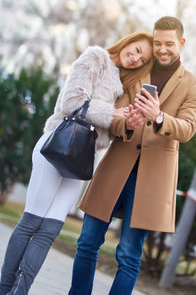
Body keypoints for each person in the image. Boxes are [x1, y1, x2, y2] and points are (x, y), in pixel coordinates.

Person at [0, 31, 153, 295]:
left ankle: (20, 291)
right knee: (32, 220)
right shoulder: (96, 57)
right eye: (137, 49)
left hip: (82, 158)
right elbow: (72, 102)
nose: (136, 58)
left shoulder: (124, 85)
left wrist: (124, 121)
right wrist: (111, 113)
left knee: (50, 229)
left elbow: (105, 134)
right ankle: (4, 287)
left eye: (142, 59)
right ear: (128, 41)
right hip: (57, 145)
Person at [68, 16, 196, 295]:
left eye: (169, 44)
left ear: (181, 43)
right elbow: (114, 117)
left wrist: (158, 116)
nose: (162, 49)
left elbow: (188, 129)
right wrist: (126, 124)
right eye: (157, 43)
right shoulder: (137, 72)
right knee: (87, 242)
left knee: (129, 255)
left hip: (153, 180)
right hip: (116, 166)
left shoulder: (194, 85)